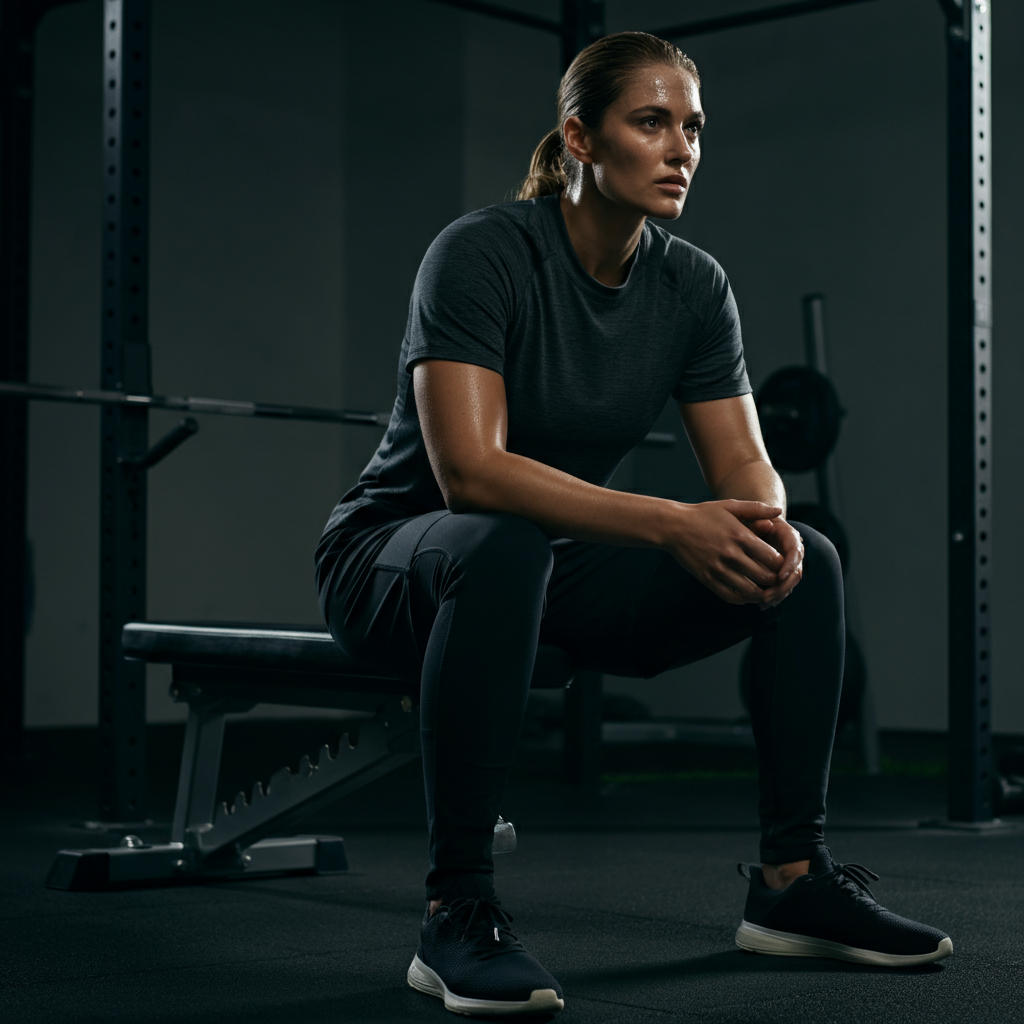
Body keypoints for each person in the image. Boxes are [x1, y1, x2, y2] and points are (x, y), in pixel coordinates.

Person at [315, 31, 951, 1017]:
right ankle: (458, 910)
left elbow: (748, 476)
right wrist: (668, 523)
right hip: (400, 561)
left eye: (692, 127)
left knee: (808, 556)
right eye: (649, 122)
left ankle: (792, 885)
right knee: (503, 540)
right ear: (579, 136)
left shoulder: (690, 285)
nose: (679, 148)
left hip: (551, 565)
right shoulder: (482, 253)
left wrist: (762, 532)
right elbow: (470, 474)